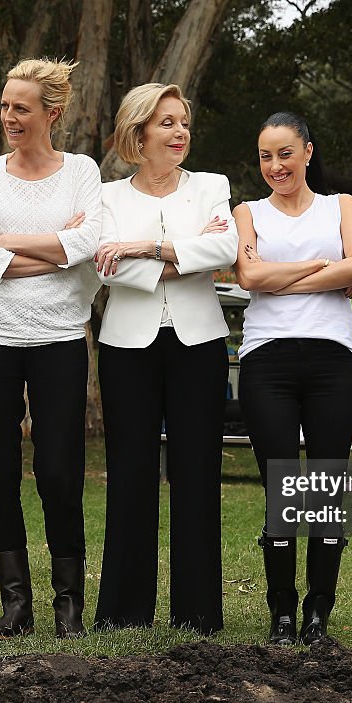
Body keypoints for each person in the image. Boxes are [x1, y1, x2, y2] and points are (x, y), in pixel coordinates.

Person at [0, 59, 102, 640]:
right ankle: (15, 602)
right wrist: (54, 248)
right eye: (5, 105)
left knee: (60, 473)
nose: (8, 117)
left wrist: (9, 244)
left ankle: (69, 603)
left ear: (53, 113)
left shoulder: (82, 172)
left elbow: (88, 245)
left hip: (59, 340)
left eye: (21, 107)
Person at [92, 83, 238, 636]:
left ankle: (197, 613)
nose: (180, 133)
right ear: (138, 133)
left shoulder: (211, 187)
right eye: (167, 123)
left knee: (197, 471)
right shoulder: (108, 197)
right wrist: (185, 252)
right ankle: (125, 610)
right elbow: (104, 267)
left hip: (199, 343)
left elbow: (224, 252)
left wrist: (146, 248)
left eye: (184, 123)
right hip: (127, 345)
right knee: (130, 471)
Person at [233, 112, 352, 645]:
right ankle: (282, 612)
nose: (275, 166)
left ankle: (318, 610)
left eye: (285, 153)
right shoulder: (247, 212)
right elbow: (249, 276)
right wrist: (320, 270)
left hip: (332, 360)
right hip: (266, 361)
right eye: (266, 156)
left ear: (308, 152)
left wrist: (280, 278)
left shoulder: (343, 206)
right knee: (282, 488)